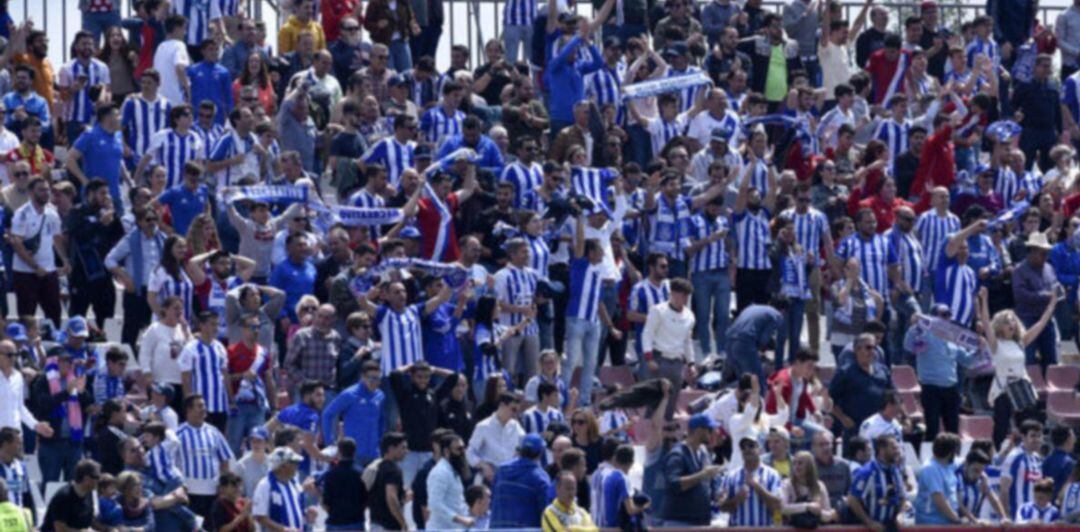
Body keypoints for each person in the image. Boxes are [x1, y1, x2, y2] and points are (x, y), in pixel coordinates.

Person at [977, 285, 1057, 447]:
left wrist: (1053, 302)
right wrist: (984, 300)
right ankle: (997, 455)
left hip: (1022, 387)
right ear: (1000, 325)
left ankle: (1028, 452)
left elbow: (1042, 323)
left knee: (1027, 424)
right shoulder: (995, 344)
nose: (1011, 324)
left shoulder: (1020, 342)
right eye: (1007, 322)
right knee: (1001, 426)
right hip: (1003, 388)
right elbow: (986, 322)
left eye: (1013, 321)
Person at [641, 278, 695, 419]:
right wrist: (649, 358)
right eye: (675, 293)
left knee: (671, 400)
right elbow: (647, 334)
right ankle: (648, 429)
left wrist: (691, 363)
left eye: (683, 295)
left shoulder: (690, 316)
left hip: (677, 362)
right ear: (671, 293)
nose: (678, 298)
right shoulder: (658, 310)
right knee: (655, 398)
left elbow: (687, 341)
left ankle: (666, 430)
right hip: (659, 359)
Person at [176, 394, 235, 519]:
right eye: (200, 406)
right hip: (189, 492)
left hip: (212, 491)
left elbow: (224, 460)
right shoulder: (178, 433)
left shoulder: (214, 432)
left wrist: (224, 485)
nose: (204, 409)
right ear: (189, 410)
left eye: (204, 406)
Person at [660, 413, 723, 527]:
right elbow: (673, 484)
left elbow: (709, 483)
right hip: (680, 522)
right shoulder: (677, 454)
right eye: (709, 429)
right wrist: (702, 475)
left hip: (701, 521)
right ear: (698, 431)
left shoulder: (703, 453)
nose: (712, 432)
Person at [322, 360, 385, 465]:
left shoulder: (380, 395)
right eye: (372, 378)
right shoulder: (350, 394)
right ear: (363, 377)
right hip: (354, 454)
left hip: (374, 453)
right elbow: (327, 414)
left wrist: (380, 441)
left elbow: (381, 420)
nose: (375, 382)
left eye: (378, 378)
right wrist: (330, 442)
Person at [490, 433, 552, 528]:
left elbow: (493, 496)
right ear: (541, 452)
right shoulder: (541, 477)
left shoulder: (502, 470)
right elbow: (546, 512)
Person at [845, 434, 905, 530]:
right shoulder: (867, 472)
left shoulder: (896, 471)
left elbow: (902, 497)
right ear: (882, 450)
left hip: (891, 527)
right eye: (894, 448)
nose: (898, 452)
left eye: (898, 448)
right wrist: (869, 522)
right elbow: (852, 499)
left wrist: (901, 514)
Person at [467, 392, 524, 482]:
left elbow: (523, 446)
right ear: (502, 406)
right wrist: (483, 465)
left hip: (510, 476)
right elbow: (470, 452)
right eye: (513, 409)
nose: (515, 414)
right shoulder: (483, 426)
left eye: (517, 411)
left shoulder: (516, 426)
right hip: (489, 477)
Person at [914, 432, 967, 525]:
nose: (956, 455)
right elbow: (939, 501)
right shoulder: (930, 469)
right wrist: (958, 520)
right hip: (931, 523)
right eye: (955, 452)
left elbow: (965, 460)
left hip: (947, 521)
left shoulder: (949, 463)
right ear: (950, 453)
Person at [252, 447, 308, 532]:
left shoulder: (294, 484)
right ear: (283, 466)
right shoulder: (265, 485)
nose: (297, 466)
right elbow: (260, 517)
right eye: (293, 463)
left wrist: (308, 516)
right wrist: (283, 529)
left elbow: (298, 510)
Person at [426, 433, 474, 529]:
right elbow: (435, 504)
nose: (463, 452)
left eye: (463, 448)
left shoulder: (453, 471)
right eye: (459, 449)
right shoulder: (440, 472)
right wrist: (461, 519)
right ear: (447, 451)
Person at [781, 451, 838, 526]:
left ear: (809, 466)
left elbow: (828, 514)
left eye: (800, 463)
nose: (796, 467)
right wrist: (807, 507)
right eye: (794, 463)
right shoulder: (787, 484)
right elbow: (782, 508)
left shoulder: (819, 486)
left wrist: (819, 512)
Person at [41, 459, 100, 532]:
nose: (98, 480)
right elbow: (60, 529)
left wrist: (108, 529)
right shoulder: (64, 497)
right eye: (96, 477)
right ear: (86, 478)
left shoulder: (88, 493)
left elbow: (90, 522)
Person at [368, 432, 409, 531]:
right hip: (389, 526)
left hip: (375, 524)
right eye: (402, 448)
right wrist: (403, 523)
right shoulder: (393, 470)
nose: (406, 451)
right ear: (391, 449)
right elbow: (391, 497)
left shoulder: (376, 467)